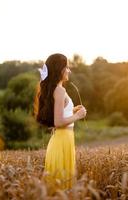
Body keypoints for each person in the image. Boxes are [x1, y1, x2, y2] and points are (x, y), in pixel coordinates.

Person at [34, 53, 87, 191]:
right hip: (62, 141)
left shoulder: (57, 90)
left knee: (61, 189)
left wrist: (73, 110)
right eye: (67, 67)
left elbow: (60, 113)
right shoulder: (60, 90)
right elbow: (58, 122)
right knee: (61, 189)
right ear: (60, 70)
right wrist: (78, 116)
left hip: (64, 140)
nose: (69, 70)